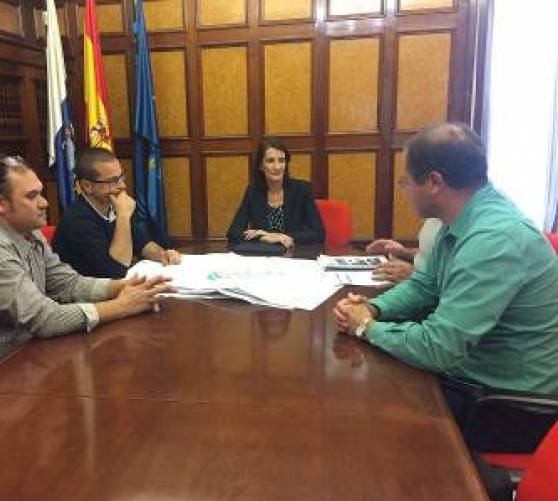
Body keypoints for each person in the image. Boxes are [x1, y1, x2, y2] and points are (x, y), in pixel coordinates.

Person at [334, 123, 558, 401]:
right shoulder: (462, 216)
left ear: (434, 182)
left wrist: (365, 327)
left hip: (504, 401)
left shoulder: (493, 240)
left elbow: (438, 348)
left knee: (358, 400)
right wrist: (373, 308)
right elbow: (425, 286)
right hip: (470, 374)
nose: (404, 190)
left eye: (405, 181)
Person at [0, 156, 171, 371]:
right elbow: (44, 319)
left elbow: (67, 283)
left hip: (15, 360)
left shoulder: (29, 232)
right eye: (32, 196)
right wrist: (122, 306)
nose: (44, 202)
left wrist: (120, 287)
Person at [53, 148, 180, 279]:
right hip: (84, 289)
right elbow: (116, 271)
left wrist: (162, 254)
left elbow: (141, 243)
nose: (122, 185)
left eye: (121, 177)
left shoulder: (114, 204)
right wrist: (123, 216)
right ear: (87, 186)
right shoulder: (77, 221)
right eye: (113, 181)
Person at [227, 138, 325, 248]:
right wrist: (262, 237)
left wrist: (279, 237)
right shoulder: (253, 192)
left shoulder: (301, 190)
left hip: (294, 254)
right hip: (264, 254)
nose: (277, 167)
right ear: (261, 165)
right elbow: (233, 233)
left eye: (281, 161)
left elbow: (319, 233)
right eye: (270, 161)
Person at [366, 218, 442, 284]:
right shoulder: (432, 221)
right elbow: (431, 256)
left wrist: (416, 276)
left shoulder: (446, 224)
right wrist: (404, 253)